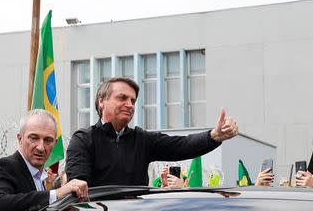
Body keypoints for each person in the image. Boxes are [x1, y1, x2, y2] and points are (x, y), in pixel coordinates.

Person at [64, 77, 239, 186]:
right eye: (122, 98)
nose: (130, 104)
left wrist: (214, 136)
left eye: (133, 100)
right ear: (101, 101)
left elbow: (182, 145)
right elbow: (78, 188)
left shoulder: (142, 139)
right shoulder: (83, 140)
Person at [0, 109, 89, 211]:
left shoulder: (39, 178)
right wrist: (56, 194)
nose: (41, 147)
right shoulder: (6, 166)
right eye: (34, 138)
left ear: (55, 143)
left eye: (48, 140)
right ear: (20, 139)